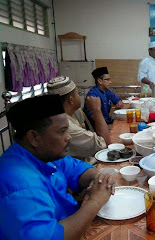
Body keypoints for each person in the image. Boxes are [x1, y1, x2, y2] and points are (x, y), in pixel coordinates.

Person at [0, 95, 115, 239]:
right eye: (62, 131)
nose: (69, 137)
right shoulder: (21, 186)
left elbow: (76, 168)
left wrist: (98, 179)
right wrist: (96, 201)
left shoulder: (44, 154)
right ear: (34, 138)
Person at [47, 76, 111, 161]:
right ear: (71, 100)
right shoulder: (64, 125)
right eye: (77, 94)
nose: (80, 97)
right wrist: (97, 110)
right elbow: (105, 144)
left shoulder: (72, 112)